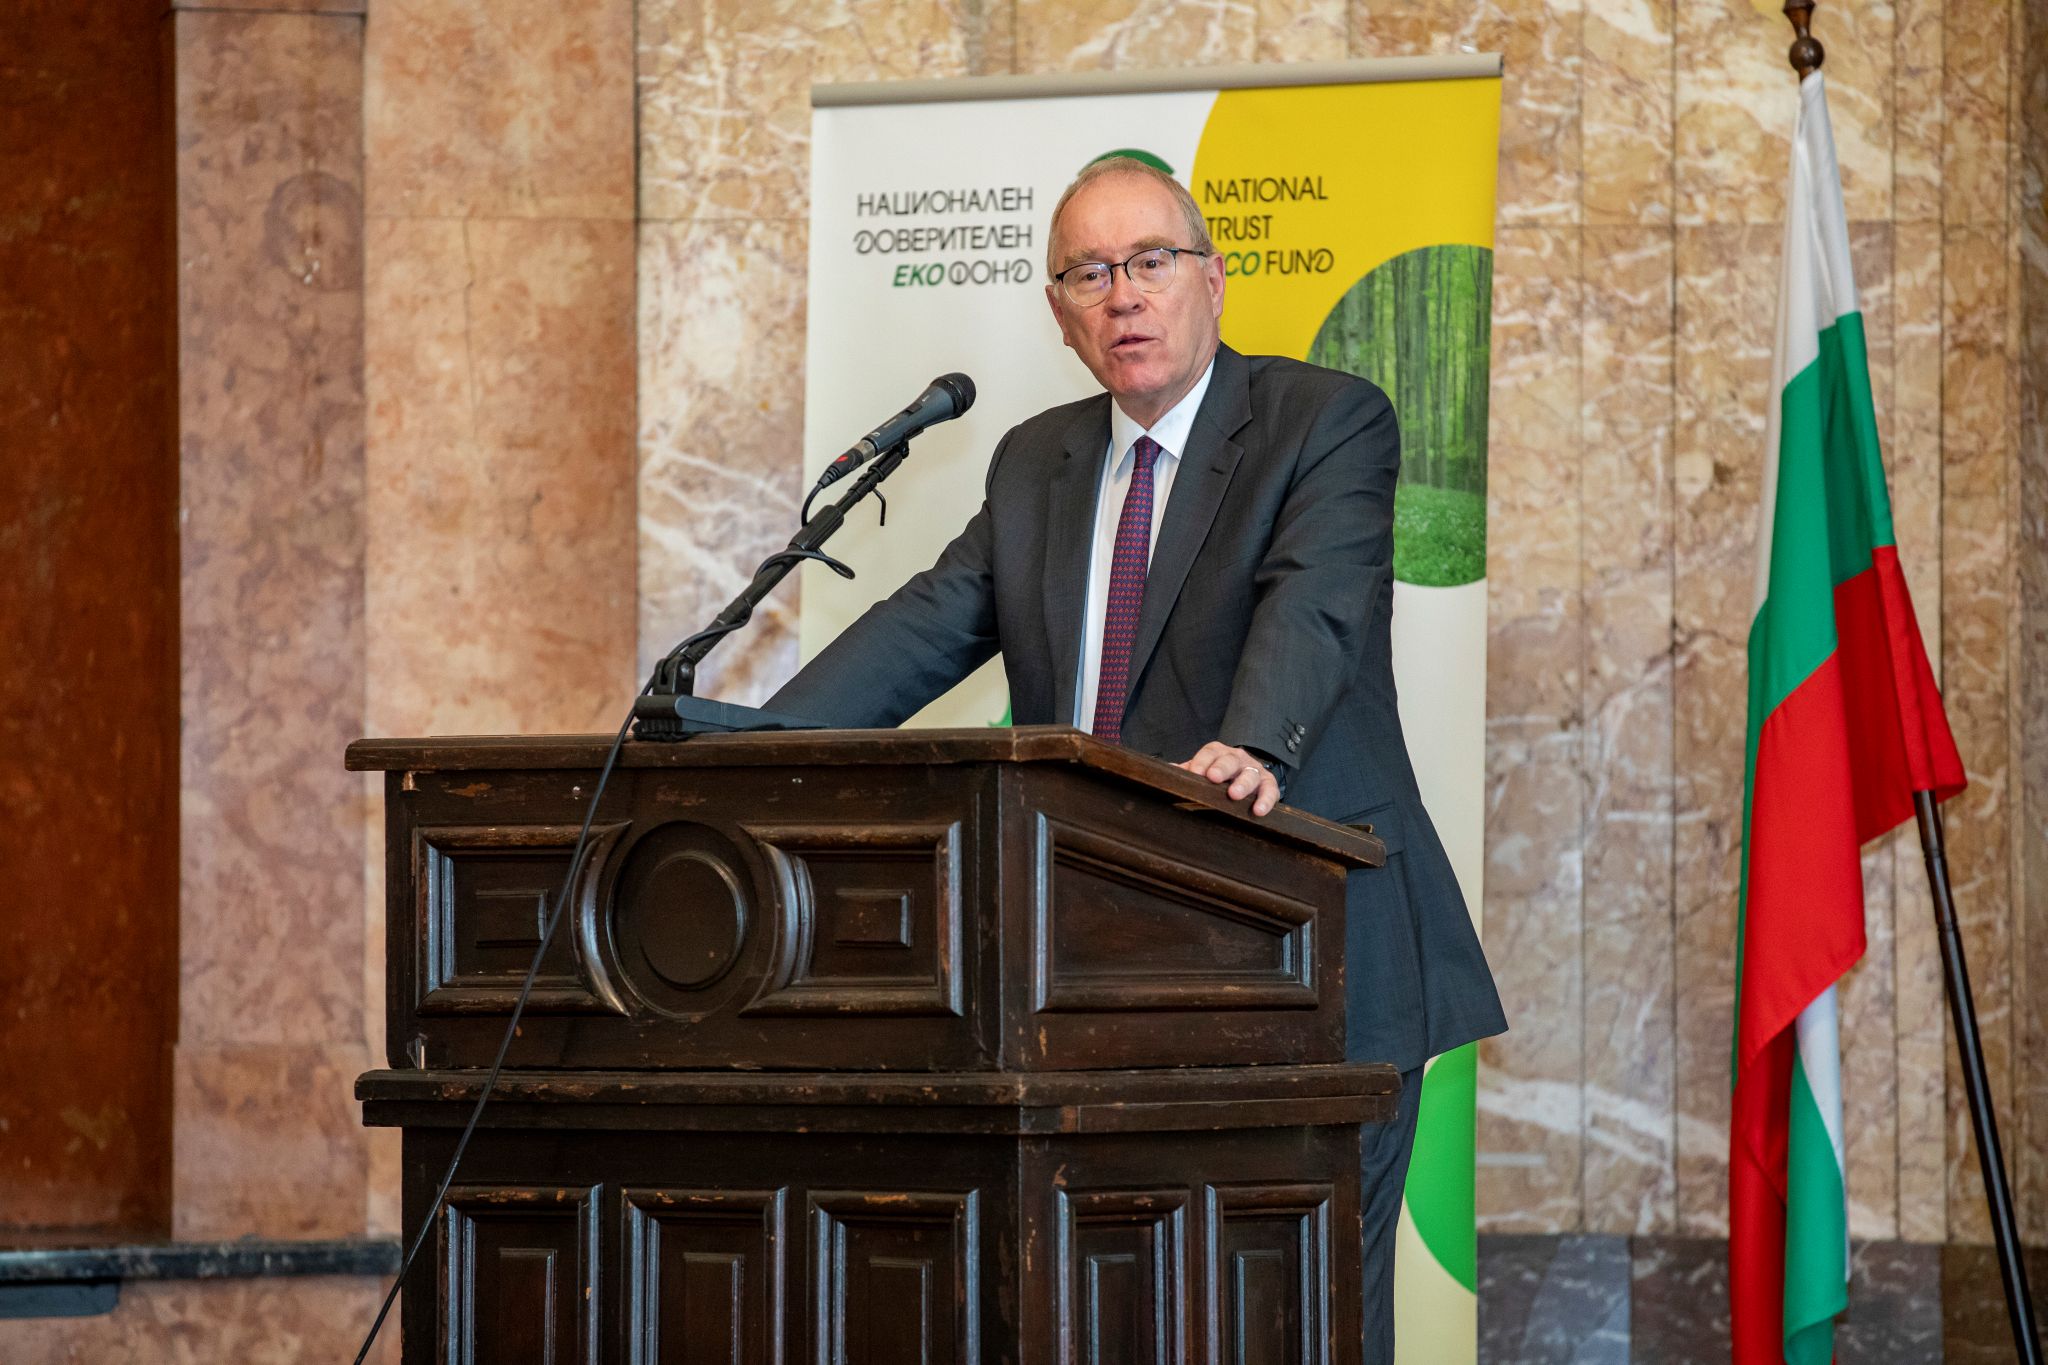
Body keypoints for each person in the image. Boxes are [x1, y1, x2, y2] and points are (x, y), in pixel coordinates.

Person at [768, 156, 1505, 1358]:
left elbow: (1312, 605)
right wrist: (754, 750)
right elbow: (926, 627)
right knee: (1129, 1310)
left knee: (1305, 1308)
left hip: (1311, 946)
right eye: (1089, 274)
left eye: (1150, 262)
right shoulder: (1036, 462)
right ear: (1059, 314)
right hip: (1102, 968)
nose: (1123, 295)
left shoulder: (1321, 420)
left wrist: (1252, 741)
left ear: (1212, 280)